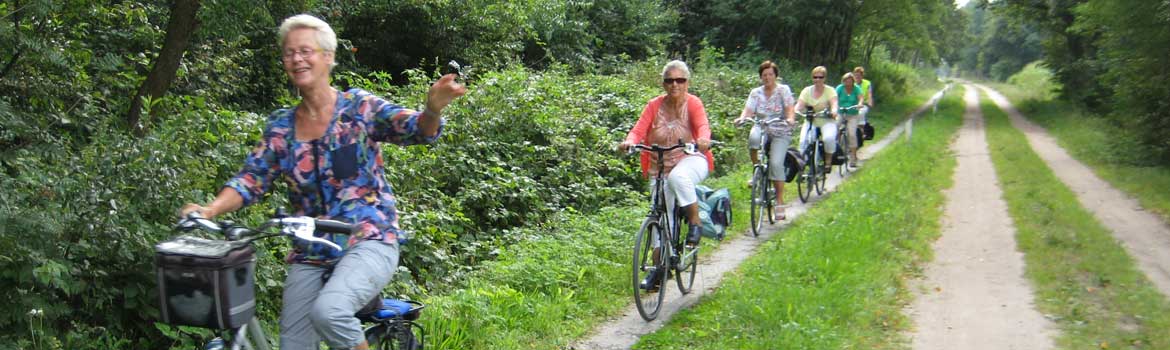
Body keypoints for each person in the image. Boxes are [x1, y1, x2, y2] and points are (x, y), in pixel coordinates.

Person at [177, 14, 466, 350]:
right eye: (289, 53)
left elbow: (417, 130)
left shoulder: (359, 108)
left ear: (327, 57)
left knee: (330, 312)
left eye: (305, 50)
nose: (296, 59)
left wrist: (432, 110)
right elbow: (250, 180)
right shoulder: (281, 127)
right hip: (311, 251)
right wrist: (209, 210)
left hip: (368, 238)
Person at [618, 60, 713, 289]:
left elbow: (703, 127)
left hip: (691, 159)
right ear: (663, 83)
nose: (675, 85)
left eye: (680, 80)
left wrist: (702, 140)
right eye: (670, 80)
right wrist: (630, 142)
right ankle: (658, 270)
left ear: (687, 82)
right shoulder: (654, 105)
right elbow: (638, 130)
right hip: (659, 164)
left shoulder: (694, 104)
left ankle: (695, 222)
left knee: (678, 178)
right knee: (660, 216)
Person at [733, 60, 795, 220]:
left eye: (770, 74)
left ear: (775, 76)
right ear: (761, 77)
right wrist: (742, 118)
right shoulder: (756, 93)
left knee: (775, 164)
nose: (767, 78)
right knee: (753, 139)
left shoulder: (783, 90)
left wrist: (789, 119)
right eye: (764, 75)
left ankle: (780, 202)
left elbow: (789, 108)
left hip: (780, 128)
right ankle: (757, 171)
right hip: (761, 126)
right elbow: (748, 110)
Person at [794, 66, 839, 172]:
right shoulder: (806, 91)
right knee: (803, 141)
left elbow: (834, 103)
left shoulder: (830, 91)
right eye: (815, 77)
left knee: (828, 138)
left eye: (820, 77)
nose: (817, 79)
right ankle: (803, 166)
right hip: (811, 121)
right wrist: (795, 112)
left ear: (824, 78)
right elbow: (799, 105)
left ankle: (828, 161)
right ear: (812, 78)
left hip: (827, 121)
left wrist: (834, 110)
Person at [836, 72, 864, 168]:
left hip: (852, 114)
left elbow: (860, 98)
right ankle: (835, 149)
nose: (847, 83)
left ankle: (853, 157)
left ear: (853, 81)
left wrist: (859, 104)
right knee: (834, 127)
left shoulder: (856, 89)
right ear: (843, 81)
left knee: (852, 134)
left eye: (849, 81)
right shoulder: (840, 88)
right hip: (841, 112)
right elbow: (834, 98)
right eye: (845, 81)